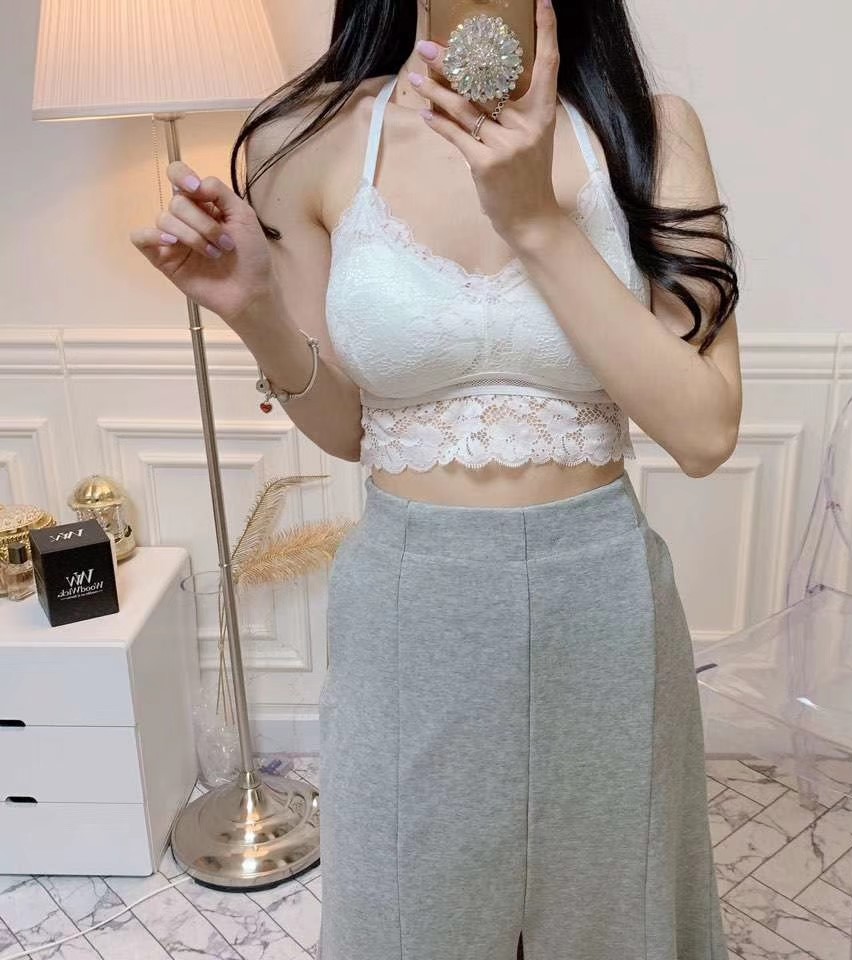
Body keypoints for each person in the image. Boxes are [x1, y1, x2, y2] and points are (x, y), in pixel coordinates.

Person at [131, 0, 742, 956]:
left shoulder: (649, 131)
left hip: (603, 604)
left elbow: (704, 432)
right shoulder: (312, 139)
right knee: (406, 924)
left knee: (621, 921)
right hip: (409, 609)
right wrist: (254, 312)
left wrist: (535, 220)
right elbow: (352, 429)